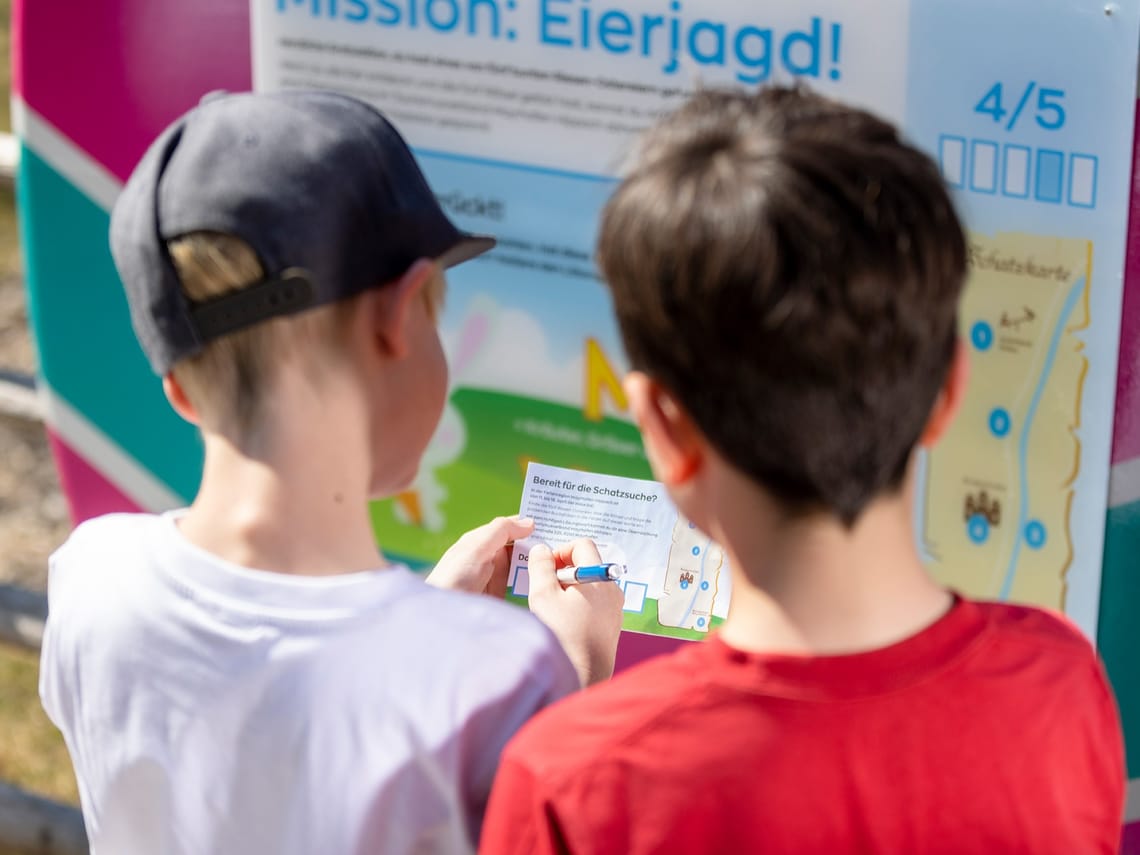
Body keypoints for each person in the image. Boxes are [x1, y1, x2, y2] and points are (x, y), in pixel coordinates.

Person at [479, 86, 1125, 854]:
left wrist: (578, 685)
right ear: (950, 389)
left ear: (662, 426)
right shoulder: (1060, 684)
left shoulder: (573, 777)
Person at [38, 89, 623, 855]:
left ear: (178, 388)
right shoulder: (501, 679)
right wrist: (578, 671)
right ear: (401, 316)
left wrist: (424, 617)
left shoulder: (90, 575)